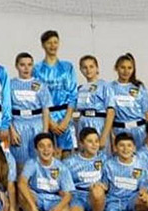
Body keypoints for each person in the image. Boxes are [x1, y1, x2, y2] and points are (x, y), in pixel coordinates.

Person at [18, 133, 74, 211]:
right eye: (41, 146)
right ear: (36, 150)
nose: (46, 150)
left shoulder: (61, 167)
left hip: (54, 198)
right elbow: (22, 183)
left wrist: (59, 208)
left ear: (53, 149)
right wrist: (33, 207)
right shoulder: (31, 163)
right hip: (36, 197)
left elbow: (68, 194)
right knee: (22, 193)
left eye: (49, 146)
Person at [33, 30, 77, 158]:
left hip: (64, 116)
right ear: (43, 45)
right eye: (49, 43)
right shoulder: (37, 69)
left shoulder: (67, 67)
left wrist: (66, 120)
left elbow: (73, 94)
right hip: (46, 117)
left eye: (55, 42)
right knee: (47, 154)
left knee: (67, 155)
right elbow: (36, 96)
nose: (53, 46)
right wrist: (50, 122)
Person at [9, 52, 51, 169]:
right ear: (16, 66)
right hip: (18, 125)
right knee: (20, 162)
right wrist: (12, 130)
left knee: (38, 160)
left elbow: (45, 109)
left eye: (29, 65)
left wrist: (45, 131)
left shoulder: (40, 85)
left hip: (37, 124)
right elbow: (7, 110)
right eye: (22, 65)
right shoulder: (10, 85)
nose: (26, 68)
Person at [63, 127, 106, 211]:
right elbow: (65, 186)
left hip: (97, 196)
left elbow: (109, 182)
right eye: (90, 141)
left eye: (96, 141)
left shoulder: (104, 158)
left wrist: (103, 186)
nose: (94, 145)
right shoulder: (70, 162)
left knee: (97, 191)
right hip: (78, 196)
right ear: (81, 143)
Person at [110, 53, 148, 148]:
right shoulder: (110, 88)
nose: (126, 71)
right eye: (122, 67)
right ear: (116, 68)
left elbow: (147, 113)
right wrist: (111, 134)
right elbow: (109, 114)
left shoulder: (139, 87)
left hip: (139, 130)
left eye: (129, 68)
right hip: (119, 130)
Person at [75, 55, 114, 149]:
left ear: (97, 68)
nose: (88, 70)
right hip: (83, 124)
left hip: (99, 123)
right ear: (81, 69)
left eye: (91, 66)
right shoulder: (80, 89)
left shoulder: (105, 86)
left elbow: (111, 112)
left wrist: (104, 136)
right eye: (85, 67)